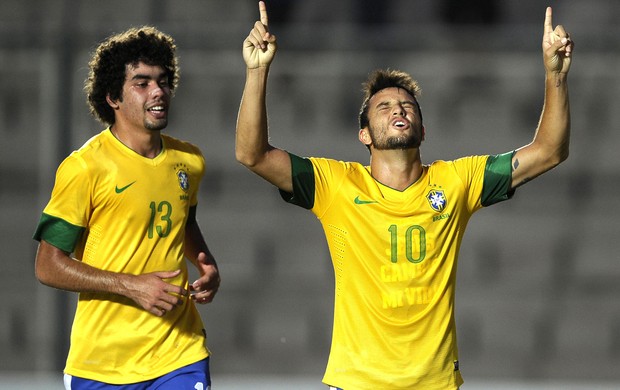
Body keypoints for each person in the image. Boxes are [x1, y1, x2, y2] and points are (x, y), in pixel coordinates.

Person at [236, 2, 573, 389]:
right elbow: (252, 154)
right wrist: (257, 71)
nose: (398, 110)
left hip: (435, 383)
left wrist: (555, 76)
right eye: (384, 107)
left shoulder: (456, 181)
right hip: (356, 382)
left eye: (407, 106)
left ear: (423, 130)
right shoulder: (336, 185)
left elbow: (549, 151)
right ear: (364, 134)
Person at [33, 26, 220, 390]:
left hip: (179, 352)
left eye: (163, 81)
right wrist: (130, 285)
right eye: (142, 82)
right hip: (103, 364)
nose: (158, 92)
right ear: (112, 98)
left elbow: (182, 223)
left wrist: (205, 261)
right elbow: (48, 265)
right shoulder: (85, 167)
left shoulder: (189, 160)